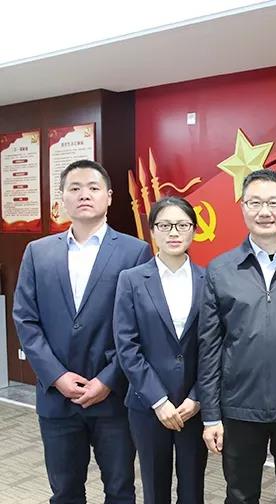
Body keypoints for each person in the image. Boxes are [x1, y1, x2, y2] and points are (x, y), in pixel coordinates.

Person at [13, 159, 151, 503]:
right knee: (64, 492)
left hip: (114, 398)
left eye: (93, 188)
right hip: (57, 398)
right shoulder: (38, 252)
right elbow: (26, 320)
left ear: (109, 197)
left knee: (120, 490)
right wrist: (56, 376)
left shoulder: (135, 252)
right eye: (74, 188)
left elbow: (141, 327)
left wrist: (108, 380)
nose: (84, 195)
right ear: (62, 198)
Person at [198, 169, 276, 504]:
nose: (264, 212)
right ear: (242, 207)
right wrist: (211, 415)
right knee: (240, 496)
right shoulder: (220, 270)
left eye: (273, 203)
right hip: (239, 408)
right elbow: (209, 348)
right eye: (254, 203)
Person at [114, 196, 208, 504]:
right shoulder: (131, 280)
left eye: (182, 225)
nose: (174, 232)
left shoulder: (209, 279)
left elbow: (214, 346)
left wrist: (197, 396)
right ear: (152, 231)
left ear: (194, 229)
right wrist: (158, 400)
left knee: (193, 490)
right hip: (147, 405)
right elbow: (127, 346)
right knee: (154, 490)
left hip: (193, 407)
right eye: (165, 225)